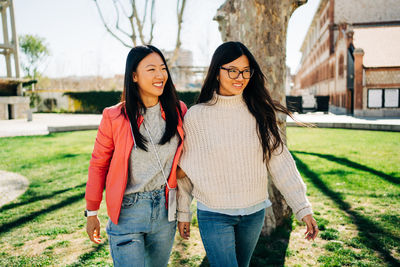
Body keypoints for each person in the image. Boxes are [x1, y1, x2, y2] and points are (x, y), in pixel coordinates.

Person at [176, 41, 318, 267]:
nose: (239, 77)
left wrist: (302, 208)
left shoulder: (260, 112)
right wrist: (183, 211)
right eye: (232, 70)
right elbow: (187, 167)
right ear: (217, 72)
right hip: (213, 214)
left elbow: (281, 164)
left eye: (245, 71)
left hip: (253, 214)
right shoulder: (196, 116)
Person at [84, 45, 187, 267]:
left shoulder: (179, 111)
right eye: (151, 69)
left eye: (163, 68)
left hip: (165, 212)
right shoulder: (114, 117)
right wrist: (92, 211)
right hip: (127, 211)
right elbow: (98, 165)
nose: (160, 75)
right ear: (134, 76)